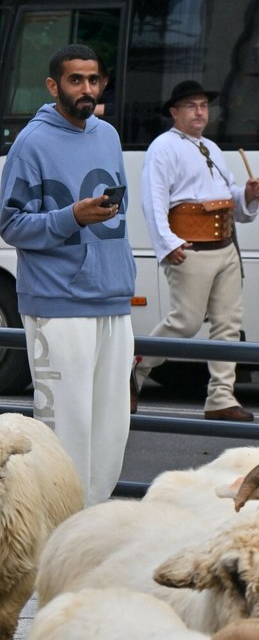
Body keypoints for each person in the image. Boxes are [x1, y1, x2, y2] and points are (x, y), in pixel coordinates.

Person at [0, 44, 136, 505]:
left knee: (111, 431)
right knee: (66, 432)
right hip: (58, 303)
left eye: (94, 79)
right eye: (76, 80)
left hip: (112, 298)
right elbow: (9, 223)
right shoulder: (31, 142)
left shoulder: (109, 135)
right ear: (53, 86)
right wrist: (71, 217)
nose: (87, 89)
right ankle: (52, 533)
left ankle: (87, 532)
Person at [133, 80, 259, 422]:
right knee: (185, 322)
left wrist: (247, 195)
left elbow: (229, 199)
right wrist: (168, 244)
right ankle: (131, 372)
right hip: (190, 248)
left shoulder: (211, 147)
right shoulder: (163, 148)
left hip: (224, 246)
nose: (199, 112)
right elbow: (154, 200)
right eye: (191, 106)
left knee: (228, 325)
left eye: (203, 106)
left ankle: (221, 396)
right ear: (174, 113)